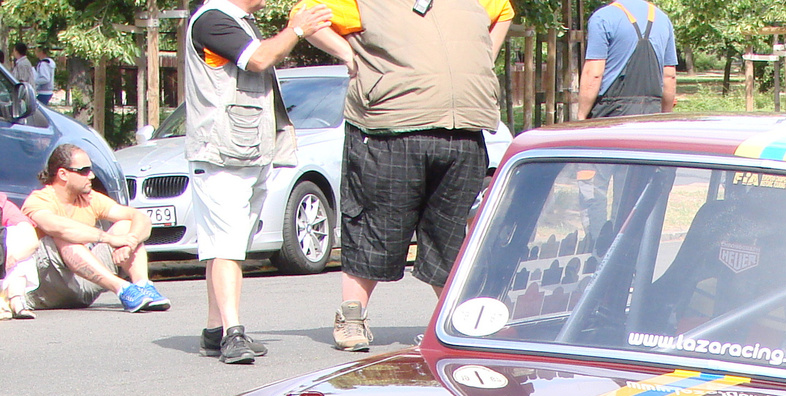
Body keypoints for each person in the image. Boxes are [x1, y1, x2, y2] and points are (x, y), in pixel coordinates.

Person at [302, 0, 514, 351]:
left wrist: (481, 65)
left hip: (462, 129)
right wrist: (349, 55)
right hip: (389, 125)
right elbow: (307, 19)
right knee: (373, 224)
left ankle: (458, 322)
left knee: (451, 234)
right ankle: (352, 315)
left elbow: (503, 12)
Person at [185, 0, 331, 365]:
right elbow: (259, 59)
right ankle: (234, 334)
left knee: (226, 245)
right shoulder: (213, 20)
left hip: (245, 150)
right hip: (221, 153)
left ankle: (214, 330)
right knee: (228, 246)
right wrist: (296, 29)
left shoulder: (235, 20)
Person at [21, 144, 170, 313]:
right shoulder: (39, 200)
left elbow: (140, 218)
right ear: (63, 174)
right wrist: (109, 239)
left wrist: (130, 242)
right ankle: (122, 288)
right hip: (49, 289)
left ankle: (142, 287)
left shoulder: (89, 199)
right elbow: (56, 227)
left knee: (126, 226)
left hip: (83, 283)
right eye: (84, 170)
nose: (91, 176)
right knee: (64, 236)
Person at [577, 0, 677, 119]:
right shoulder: (663, 19)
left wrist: (581, 116)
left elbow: (594, 74)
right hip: (651, 111)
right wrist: (665, 115)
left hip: (611, 112)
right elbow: (669, 76)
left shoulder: (602, 18)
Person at [1, 196, 39, 319]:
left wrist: (12, 258)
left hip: (4, 271)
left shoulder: (4, 206)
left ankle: (16, 300)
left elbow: (31, 241)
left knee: (17, 235)